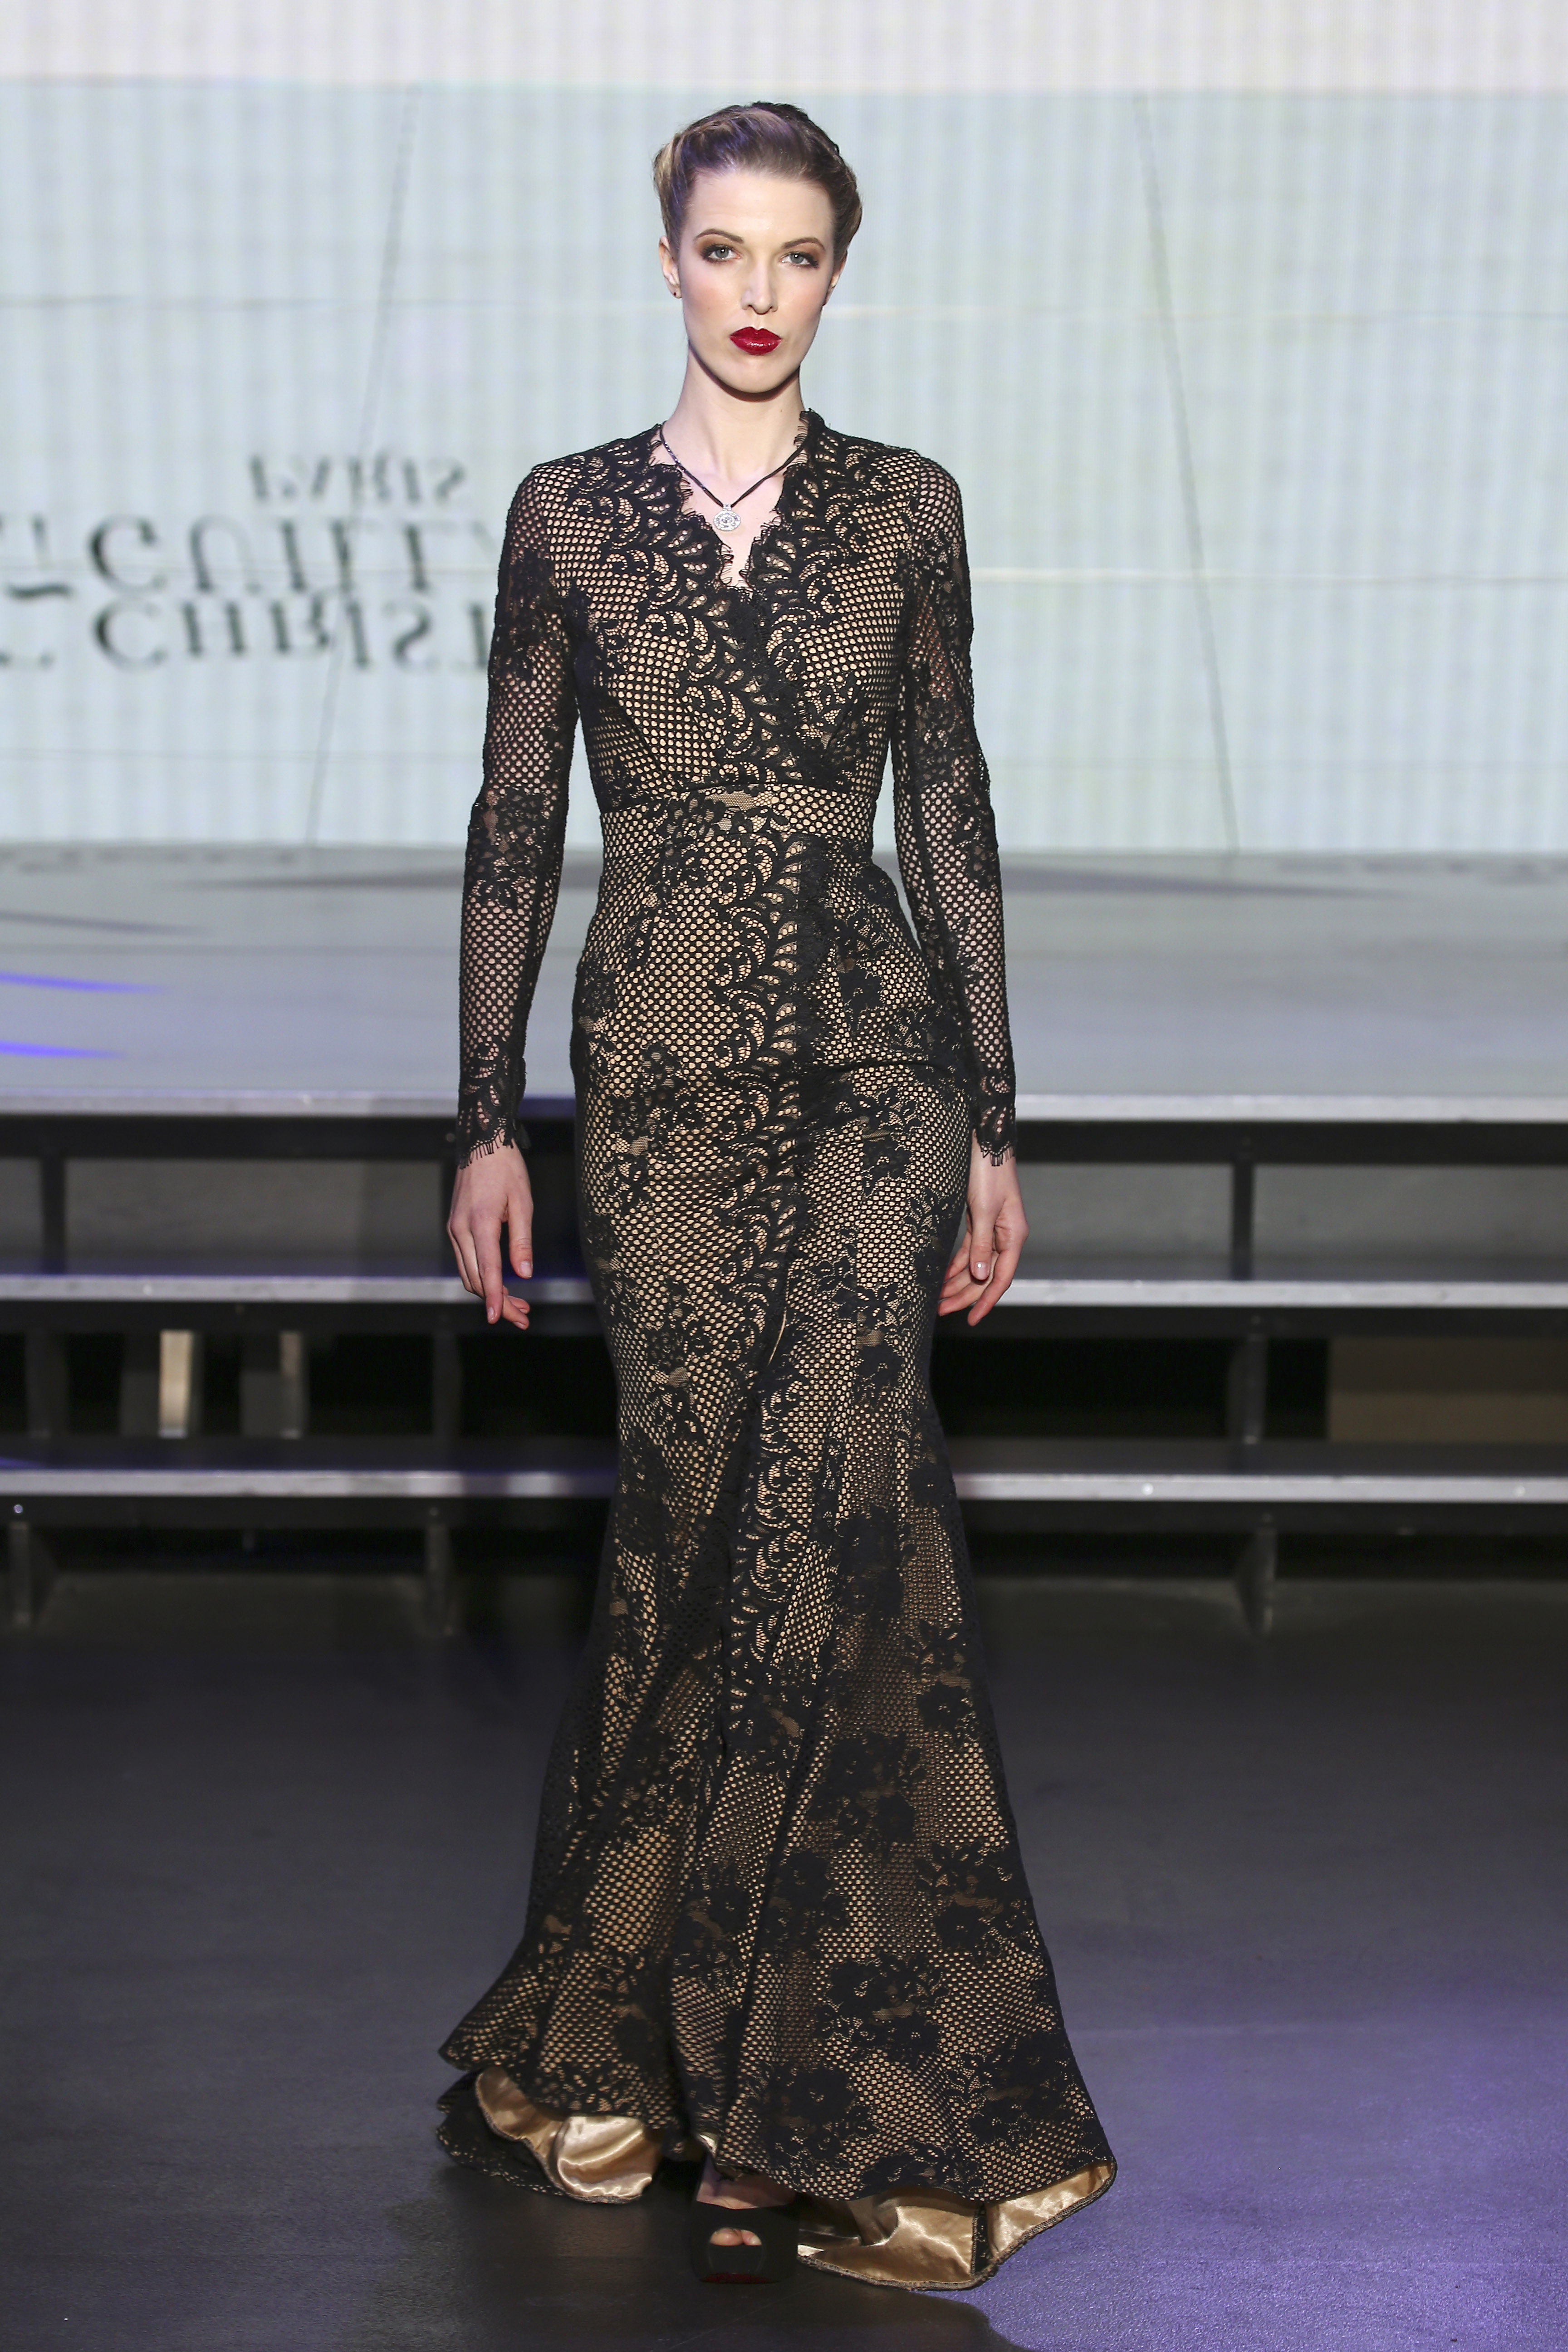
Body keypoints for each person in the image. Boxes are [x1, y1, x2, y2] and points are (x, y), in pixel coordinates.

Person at [440, 100, 1115, 2292]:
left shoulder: (905, 507)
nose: (757, 290)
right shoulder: (566, 514)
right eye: (723, 248)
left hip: (872, 1053)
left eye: (797, 254)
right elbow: (514, 822)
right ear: (667, 259)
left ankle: (842, 2103)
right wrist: (483, 1120)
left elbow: (953, 814)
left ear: (838, 273)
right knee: (695, 1523)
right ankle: (631, 2035)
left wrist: (992, 1117)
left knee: (842, 1493)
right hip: (654, 1074)